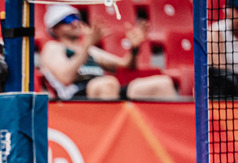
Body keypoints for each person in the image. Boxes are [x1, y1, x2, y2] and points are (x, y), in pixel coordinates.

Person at [39, 4, 176, 100]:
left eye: (76, 17)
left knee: (162, 83)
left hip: (106, 91)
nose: (75, 22)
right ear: (55, 28)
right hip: (75, 97)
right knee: (108, 83)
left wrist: (134, 49)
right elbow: (66, 77)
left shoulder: (89, 49)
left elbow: (127, 65)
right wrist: (86, 46)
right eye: (68, 19)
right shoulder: (52, 48)